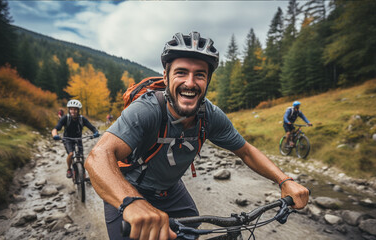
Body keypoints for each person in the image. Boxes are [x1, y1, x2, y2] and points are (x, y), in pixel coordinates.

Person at [85, 32, 310, 240]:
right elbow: (99, 156)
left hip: (170, 190)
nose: (190, 83)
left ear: (208, 80)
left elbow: (246, 151)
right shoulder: (147, 110)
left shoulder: (210, 116)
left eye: (199, 75)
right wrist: (131, 202)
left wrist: (285, 180)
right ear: (166, 75)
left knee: (191, 233)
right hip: (128, 189)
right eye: (181, 72)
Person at [52, 99, 100, 178]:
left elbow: (92, 127)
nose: (73, 111)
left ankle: (82, 172)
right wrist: (55, 135)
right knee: (71, 154)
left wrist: (96, 133)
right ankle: (69, 169)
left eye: (75, 109)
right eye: (71, 109)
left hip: (78, 139)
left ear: (78, 110)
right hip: (67, 139)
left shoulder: (82, 119)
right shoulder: (65, 118)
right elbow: (56, 128)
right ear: (69, 110)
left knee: (80, 155)